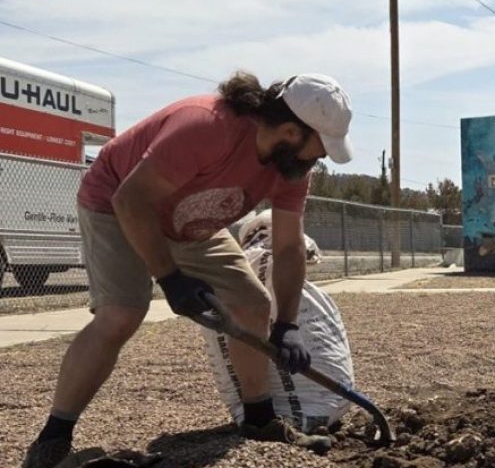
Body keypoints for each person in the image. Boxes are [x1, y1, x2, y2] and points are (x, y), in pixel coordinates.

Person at [23, 72, 355, 468]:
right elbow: (131, 199)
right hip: (116, 204)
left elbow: (286, 247)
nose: (318, 160)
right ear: (289, 131)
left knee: (251, 304)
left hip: (191, 220)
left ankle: (259, 420)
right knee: (122, 315)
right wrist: (169, 278)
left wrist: (286, 325)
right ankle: (52, 440)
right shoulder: (204, 127)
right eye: (318, 150)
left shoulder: (290, 170)